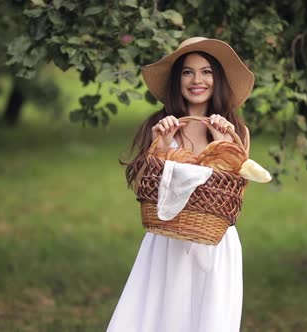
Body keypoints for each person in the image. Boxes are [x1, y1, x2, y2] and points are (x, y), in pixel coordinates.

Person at [108, 37, 254, 332]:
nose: (196, 80)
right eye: (187, 72)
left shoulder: (235, 131)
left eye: (206, 72)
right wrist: (160, 146)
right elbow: (148, 186)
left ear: (218, 79)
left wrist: (223, 145)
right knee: (161, 317)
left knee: (209, 319)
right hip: (166, 239)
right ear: (178, 80)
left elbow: (230, 191)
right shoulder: (162, 125)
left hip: (215, 243)